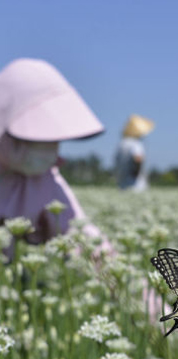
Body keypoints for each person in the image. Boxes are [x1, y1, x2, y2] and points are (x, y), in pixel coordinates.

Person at [0, 58, 112, 254]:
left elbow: (78, 231)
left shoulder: (46, 181)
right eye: (33, 140)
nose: (49, 151)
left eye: (53, 139)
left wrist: (116, 274)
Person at [115, 114, 154, 191]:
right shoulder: (136, 144)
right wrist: (135, 174)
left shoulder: (122, 143)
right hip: (135, 184)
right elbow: (138, 159)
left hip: (122, 183)